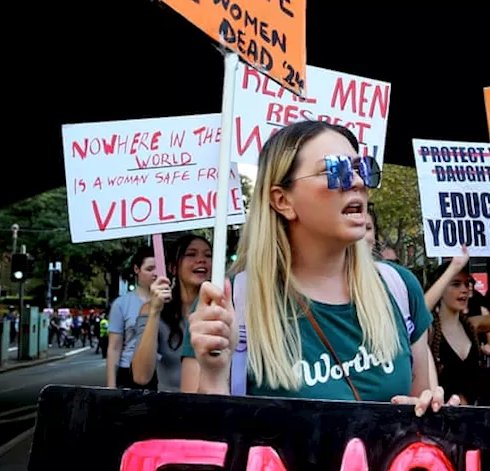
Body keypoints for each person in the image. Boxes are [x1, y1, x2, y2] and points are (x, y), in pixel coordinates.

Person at [188, 121, 448, 414]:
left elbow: (420, 424)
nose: (358, 182)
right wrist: (213, 374)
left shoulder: (400, 288)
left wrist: (432, 409)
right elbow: (210, 445)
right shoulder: (230, 304)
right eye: (335, 170)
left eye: (361, 168)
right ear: (283, 200)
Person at [423, 246, 490, 405]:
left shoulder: (472, 325)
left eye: (467, 284)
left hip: (476, 420)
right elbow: (417, 315)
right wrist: (454, 266)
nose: (464, 290)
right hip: (441, 421)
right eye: (456, 284)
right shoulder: (429, 329)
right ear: (441, 287)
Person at [133, 234, 212, 392]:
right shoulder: (152, 309)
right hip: (172, 411)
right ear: (172, 267)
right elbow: (141, 376)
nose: (201, 260)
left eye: (208, 255)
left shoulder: (223, 309)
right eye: (191, 254)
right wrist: (155, 311)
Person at [106, 246, 159, 390]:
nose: (155, 274)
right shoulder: (121, 304)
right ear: (137, 269)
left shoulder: (170, 302)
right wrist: (111, 386)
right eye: (149, 269)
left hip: (161, 373)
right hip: (129, 372)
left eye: (158, 268)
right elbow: (114, 347)